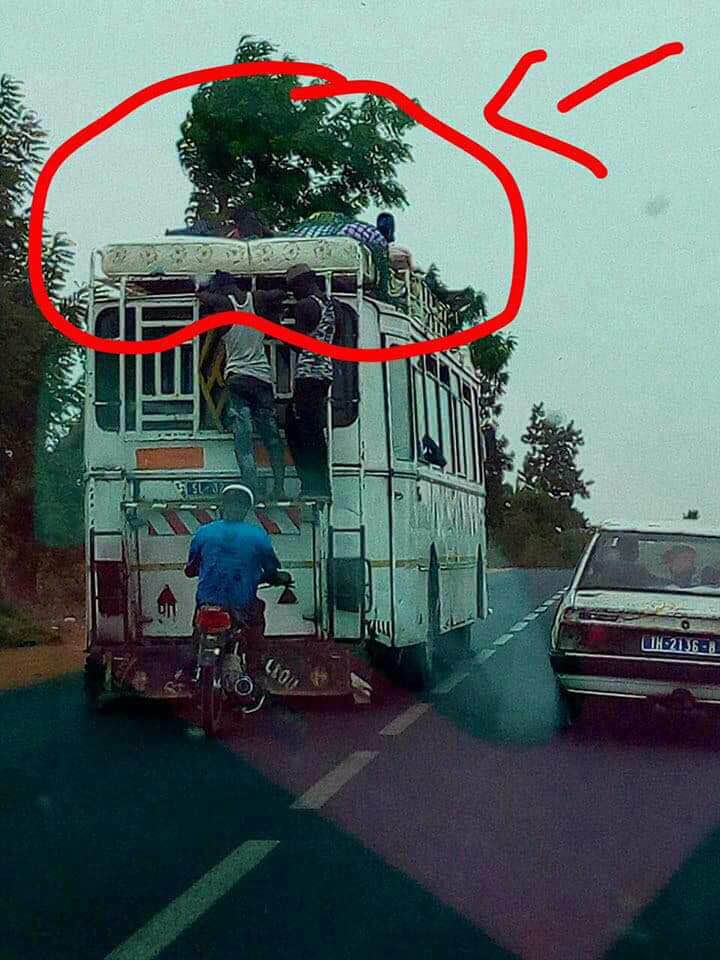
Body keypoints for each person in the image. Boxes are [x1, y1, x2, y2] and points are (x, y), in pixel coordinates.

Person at [196, 271, 287, 503]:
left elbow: (202, 296)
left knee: (244, 441)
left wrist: (202, 288)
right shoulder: (257, 298)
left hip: (237, 379)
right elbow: (279, 293)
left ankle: (252, 490)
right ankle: (279, 487)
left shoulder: (223, 304)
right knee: (272, 437)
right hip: (262, 379)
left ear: (222, 288)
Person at [184, 484, 291, 641]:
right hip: (242, 603)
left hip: (207, 602)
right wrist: (275, 577)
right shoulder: (257, 535)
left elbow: (190, 569)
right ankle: (255, 663)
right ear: (247, 509)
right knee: (256, 622)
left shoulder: (203, 532)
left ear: (223, 505)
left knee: (198, 632)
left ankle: (195, 656)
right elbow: (271, 571)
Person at [284, 263, 336, 501]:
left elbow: (299, 343)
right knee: (311, 429)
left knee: (303, 430)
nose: (293, 293)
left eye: (293, 288)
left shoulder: (305, 306)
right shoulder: (328, 304)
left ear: (302, 284)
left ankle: (314, 484)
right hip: (324, 371)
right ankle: (318, 484)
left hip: (308, 373)